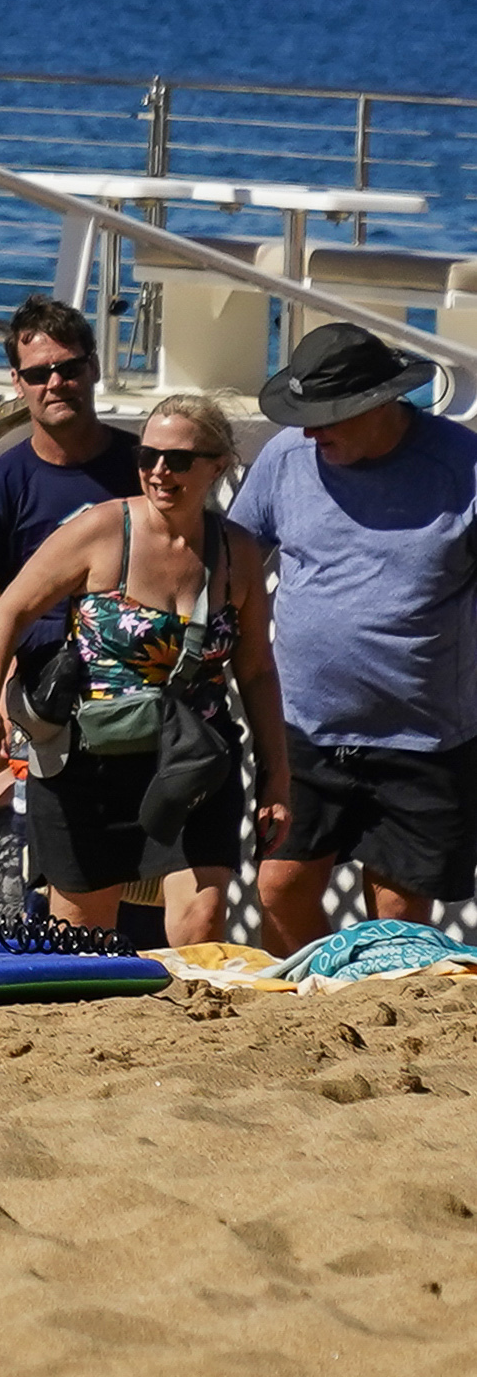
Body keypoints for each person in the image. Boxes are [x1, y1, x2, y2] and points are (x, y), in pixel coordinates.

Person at [0, 394, 288, 948]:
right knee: (82, 940)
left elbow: (255, 671)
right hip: (91, 764)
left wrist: (276, 776)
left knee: (202, 926)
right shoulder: (102, 531)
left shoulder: (238, 554)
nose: (159, 471)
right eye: (148, 455)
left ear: (218, 465)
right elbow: (9, 611)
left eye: (178, 460)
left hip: (193, 760)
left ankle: (193, 1031)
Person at [229, 320, 477, 948]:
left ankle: (368, 1025)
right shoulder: (286, 458)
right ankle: (316, 1002)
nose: (310, 430)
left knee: (395, 916)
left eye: (327, 415)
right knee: (279, 888)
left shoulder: (463, 467)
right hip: (304, 730)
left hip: (423, 738)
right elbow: (232, 567)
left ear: (379, 404)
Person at [0, 296, 141, 928]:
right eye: (38, 372)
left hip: (149, 710)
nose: (56, 382)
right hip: (54, 715)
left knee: (151, 889)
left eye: (69, 367)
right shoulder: (1, 482)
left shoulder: (146, 470)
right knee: (64, 877)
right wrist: (72, 634)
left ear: (94, 369)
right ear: (16, 384)